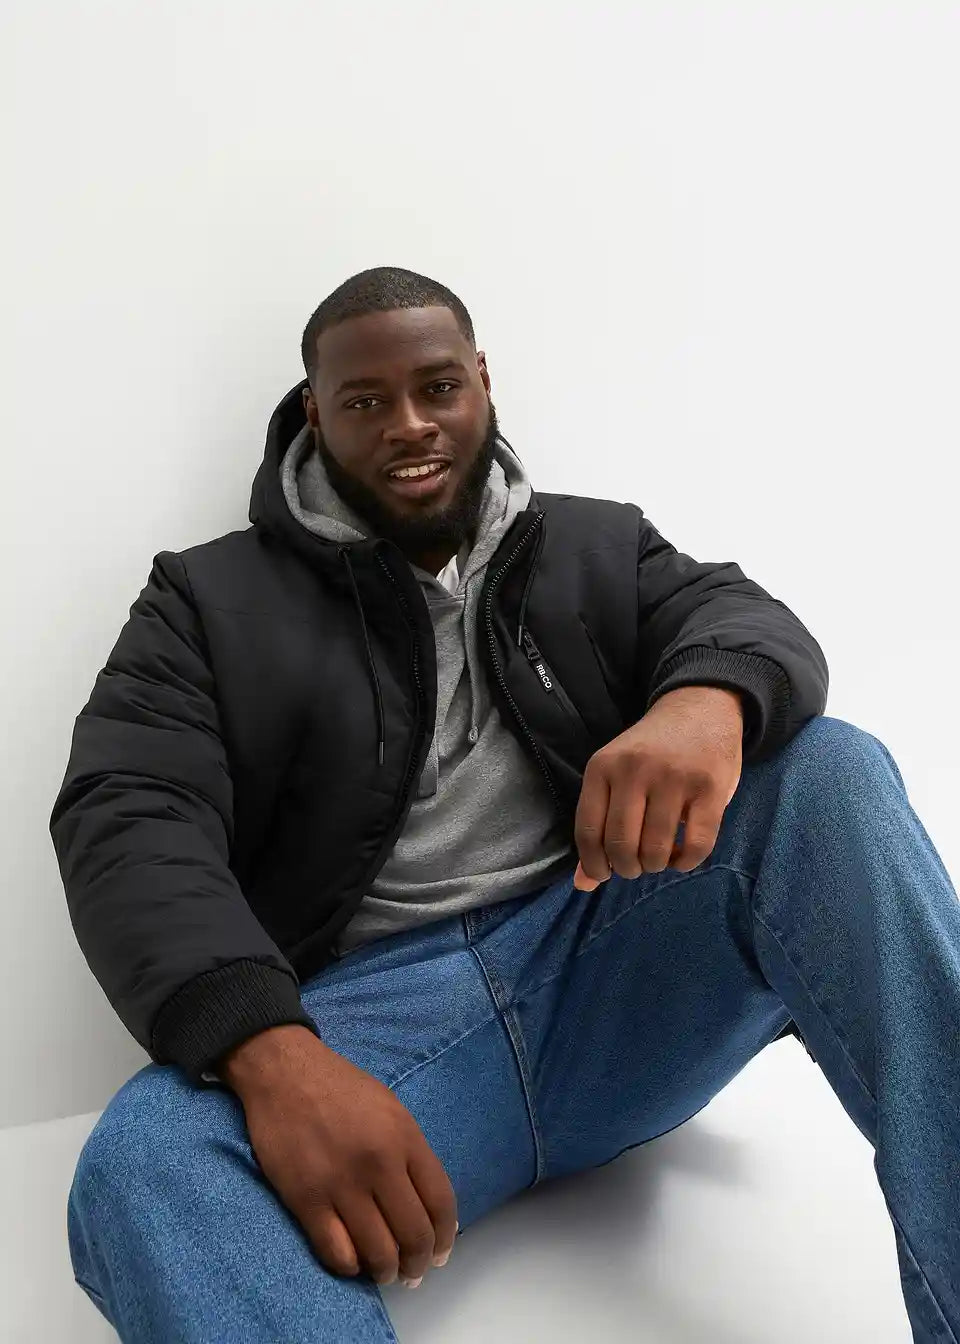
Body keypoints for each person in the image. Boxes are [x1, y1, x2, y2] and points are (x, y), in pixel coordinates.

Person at [52, 266, 957, 1343]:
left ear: (482, 381)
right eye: (365, 401)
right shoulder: (204, 602)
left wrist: (705, 703)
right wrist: (273, 1054)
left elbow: (740, 618)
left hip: (605, 965)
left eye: (438, 387)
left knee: (829, 773)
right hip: (374, 1036)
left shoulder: (596, 544)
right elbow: (129, 816)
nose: (409, 424)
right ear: (314, 415)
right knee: (146, 1162)